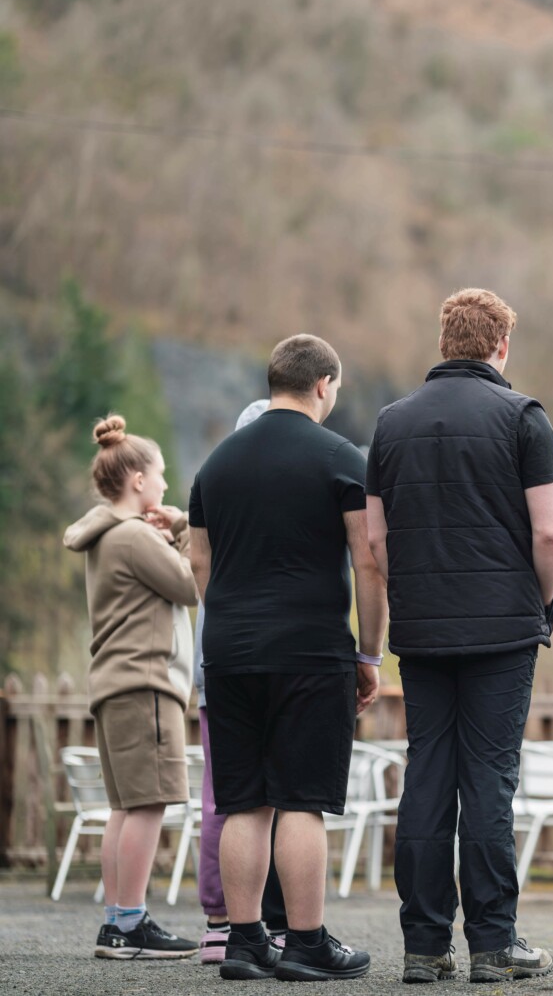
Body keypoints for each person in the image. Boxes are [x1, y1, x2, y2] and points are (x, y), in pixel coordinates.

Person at [365, 288, 553, 984]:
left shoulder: (390, 424)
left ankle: (423, 943)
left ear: (444, 340)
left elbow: (375, 538)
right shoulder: (523, 417)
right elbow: (549, 531)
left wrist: (409, 598)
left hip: (421, 627)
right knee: (488, 777)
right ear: (500, 345)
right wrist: (535, 605)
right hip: (502, 628)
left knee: (427, 773)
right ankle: (492, 941)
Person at [188, 334, 387, 982]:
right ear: (324, 385)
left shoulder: (216, 464)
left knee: (243, 800)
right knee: (301, 798)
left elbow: (197, 560)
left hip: (229, 647)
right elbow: (368, 559)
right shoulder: (340, 458)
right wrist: (369, 651)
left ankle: (245, 942)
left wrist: (229, 615)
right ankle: (304, 942)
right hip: (308, 647)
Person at [64, 415, 199, 960]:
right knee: (148, 805)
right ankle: (132, 923)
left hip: (114, 683)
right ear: (137, 480)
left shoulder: (104, 537)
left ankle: (117, 920)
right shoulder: (134, 536)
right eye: (160, 475)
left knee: (124, 807)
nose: (165, 485)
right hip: (146, 682)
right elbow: (192, 585)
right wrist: (186, 528)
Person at [190, 399, 289, 965]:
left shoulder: (216, 485)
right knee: (259, 798)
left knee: (226, 795)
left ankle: (224, 923)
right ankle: (233, 919)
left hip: (219, 653)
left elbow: (199, 566)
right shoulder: (282, 494)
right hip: (269, 655)